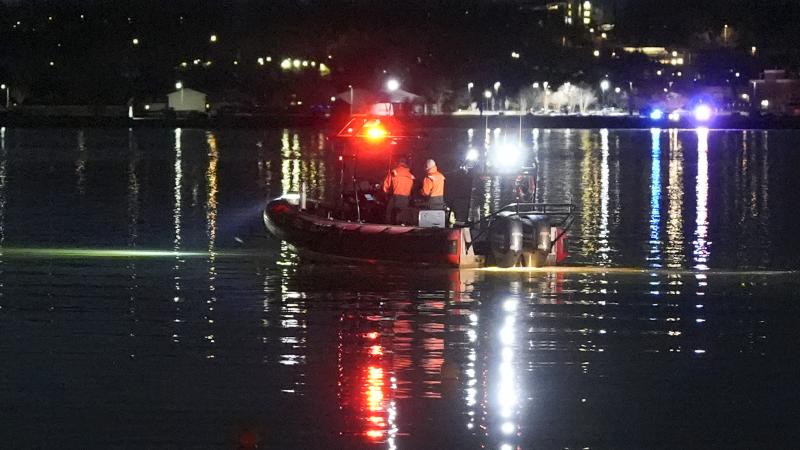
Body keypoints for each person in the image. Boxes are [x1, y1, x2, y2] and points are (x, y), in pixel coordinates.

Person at [382, 157, 414, 224]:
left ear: (398, 163)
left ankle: (388, 226)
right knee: (402, 215)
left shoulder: (394, 171)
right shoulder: (410, 175)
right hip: (406, 198)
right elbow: (412, 187)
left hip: (396, 196)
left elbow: (386, 184)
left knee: (389, 211)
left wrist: (386, 192)